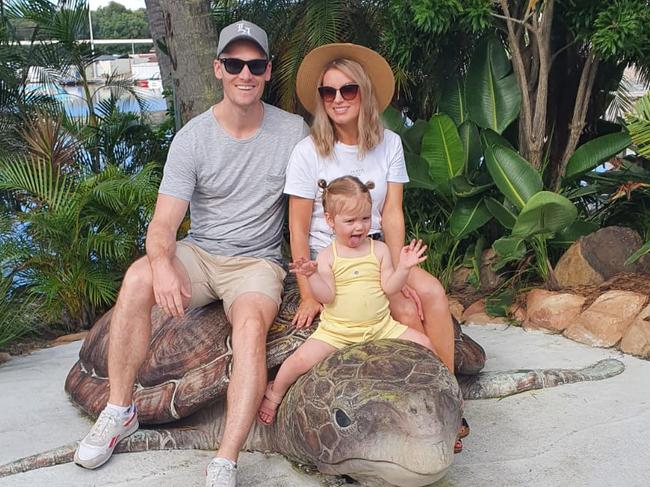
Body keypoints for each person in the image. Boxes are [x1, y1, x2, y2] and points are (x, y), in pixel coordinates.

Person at [73, 20, 309, 487]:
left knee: (250, 327)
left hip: (256, 261)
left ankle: (225, 459)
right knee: (138, 278)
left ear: (267, 71)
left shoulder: (292, 131)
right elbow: (163, 224)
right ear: (219, 68)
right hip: (201, 252)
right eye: (235, 64)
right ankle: (120, 409)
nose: (245, 73)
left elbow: (311, 205)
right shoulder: (193, 138)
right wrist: (162, 263)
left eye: (255, 65)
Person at [283, 43, 468, 452]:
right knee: (403, 311)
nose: (337, 100)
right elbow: (297, 227)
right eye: (328, 92)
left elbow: (394, 212)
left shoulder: (390, 144)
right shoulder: (307, 151)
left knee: (433, 294)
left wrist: (399, 271)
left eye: (347, 90)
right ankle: (421, 404)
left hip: (379, 251)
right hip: (331, 258)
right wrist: (308, 293)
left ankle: (449, 397)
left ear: (364, 92)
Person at [257, 176, 434, 423]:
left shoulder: (379, 250)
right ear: (330, 221)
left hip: (380, 328)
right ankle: (274, 393)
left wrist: (403, 268)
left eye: (365, 218)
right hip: (336, 333)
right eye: (350, 221)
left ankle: (438, 392)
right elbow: (326, 296)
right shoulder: (328, 256)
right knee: (297, 361)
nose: (359, 227)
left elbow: (389, 287)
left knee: (425, 345)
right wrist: (313, 276)